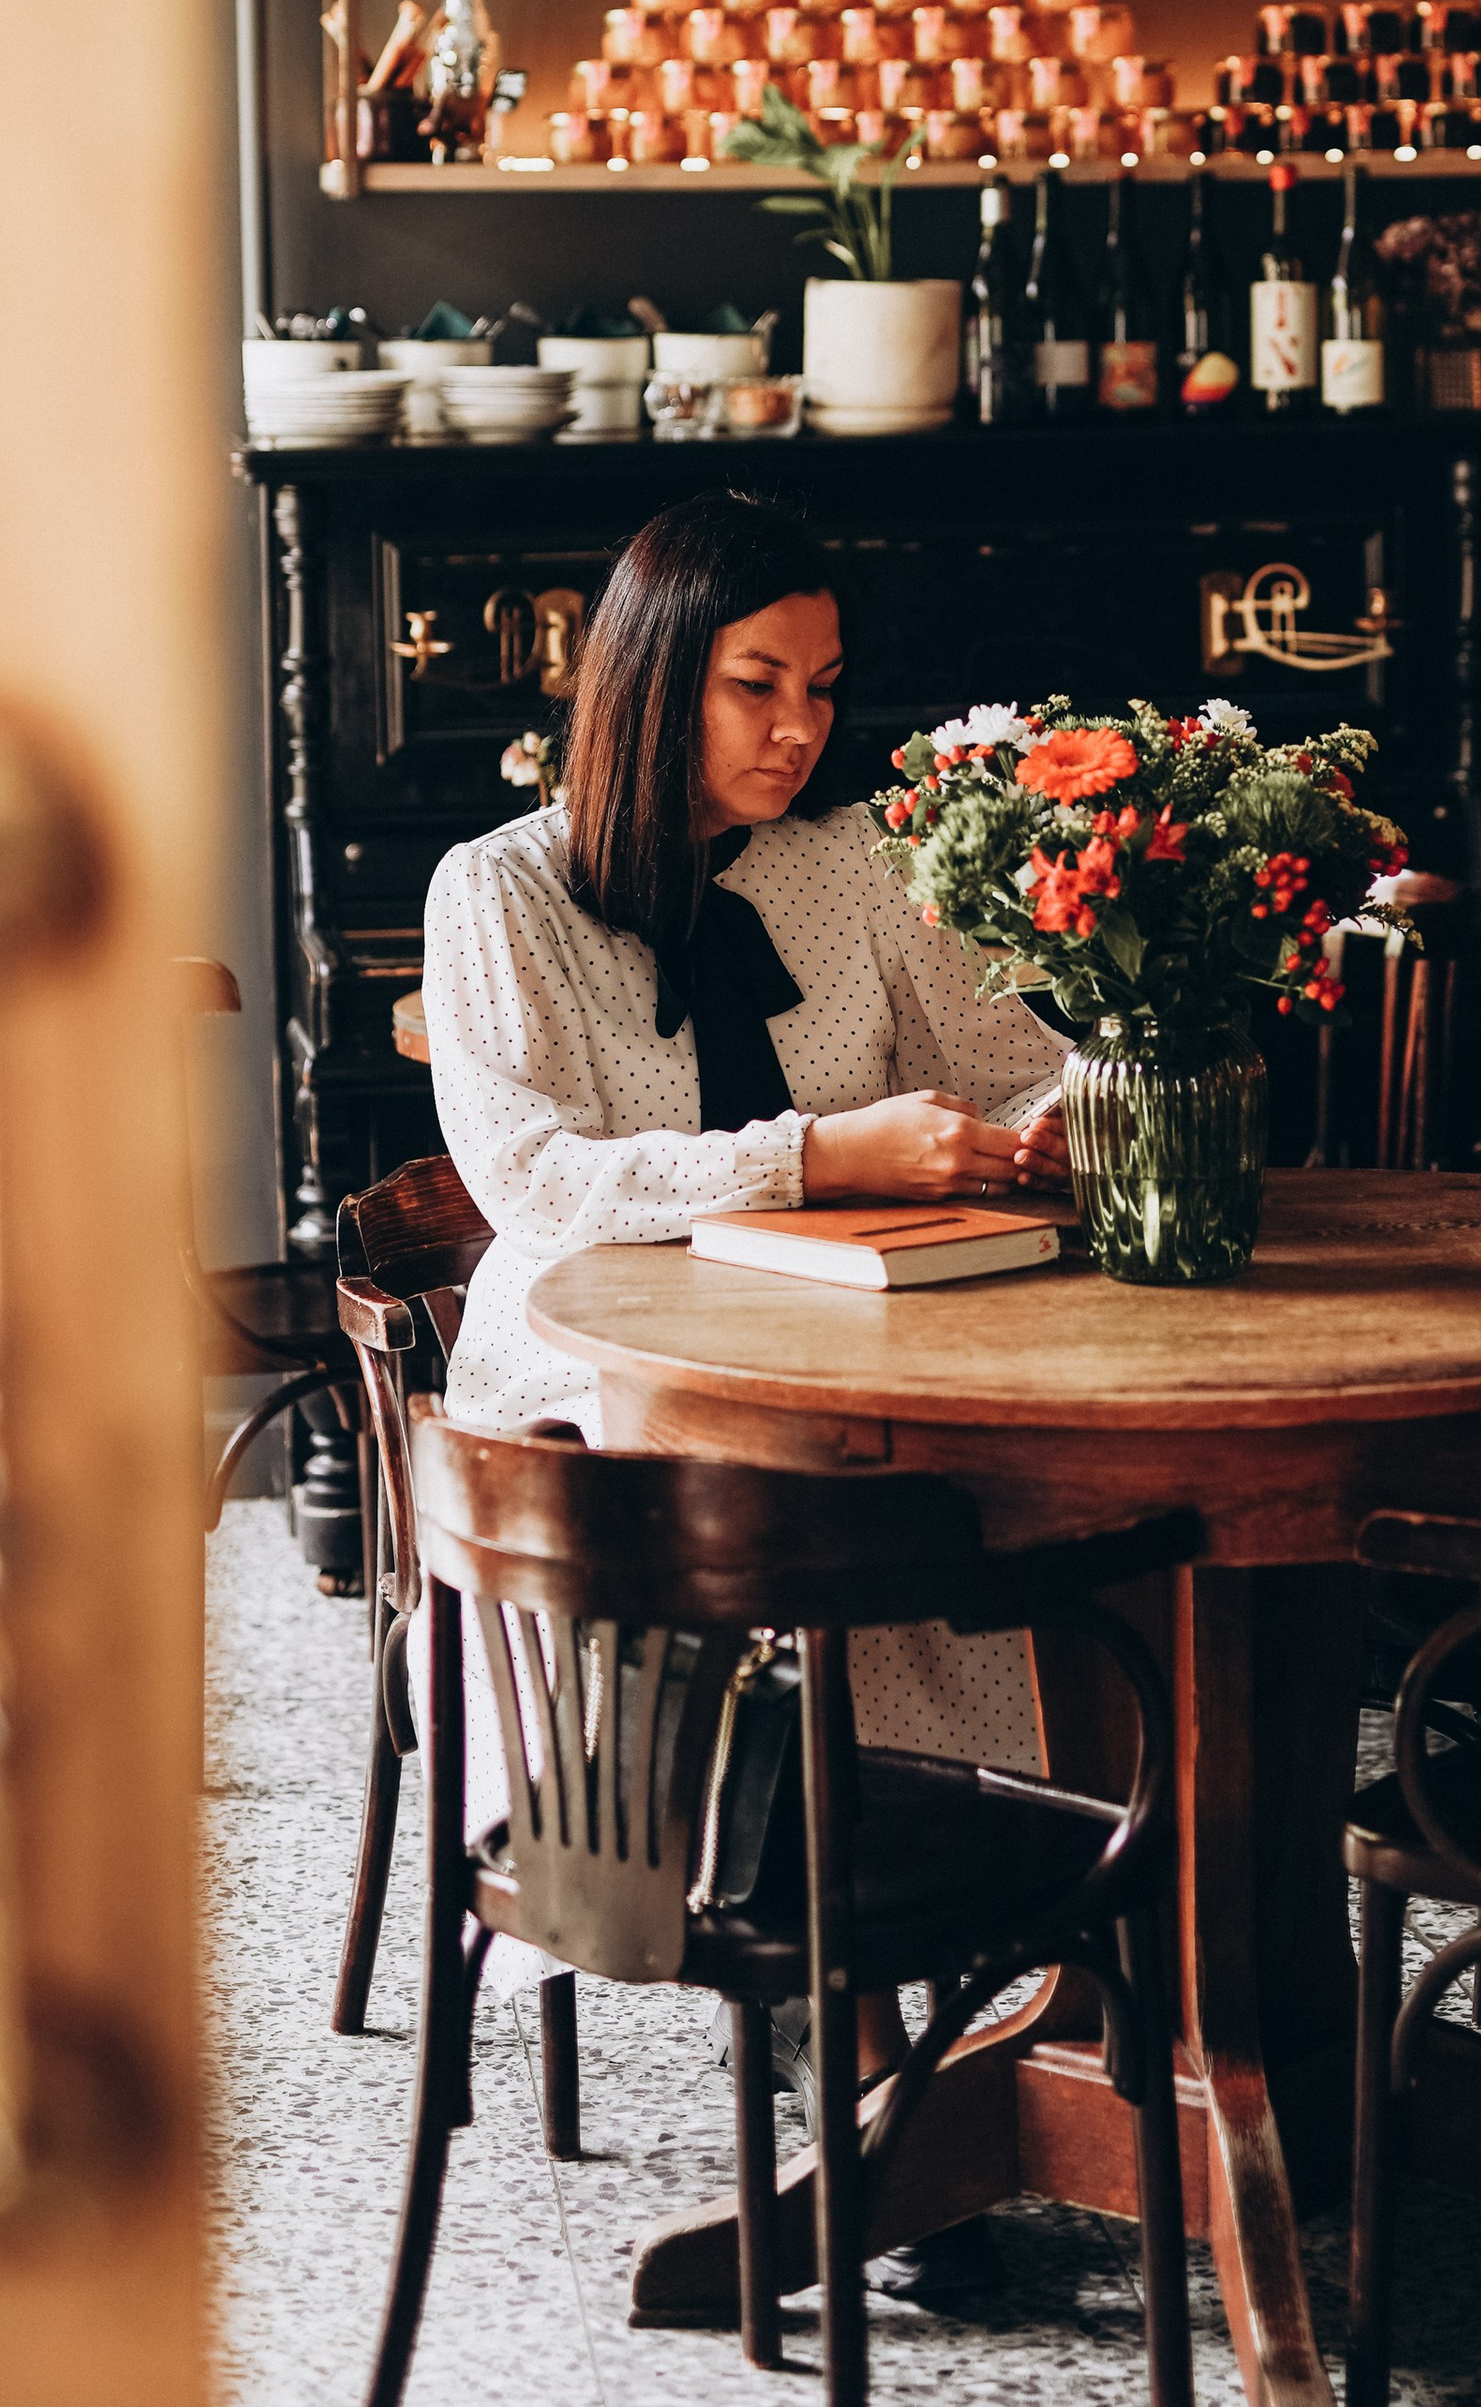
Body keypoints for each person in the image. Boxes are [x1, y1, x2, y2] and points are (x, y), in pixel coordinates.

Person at [420, 493, 1071, 2049]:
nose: (799, 727)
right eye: (756, 683)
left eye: (824, 685)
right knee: (773, 1494)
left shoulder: (854, 864)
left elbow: (1014, 1065)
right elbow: (534, 1186)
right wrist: (819, 1154)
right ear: (654, 679)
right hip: (592, 1354)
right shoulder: (500, 890)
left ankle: (1030, 1924)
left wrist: (1039, 1133)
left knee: (966, 1475)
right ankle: (795, 1939)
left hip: (855, 1317)